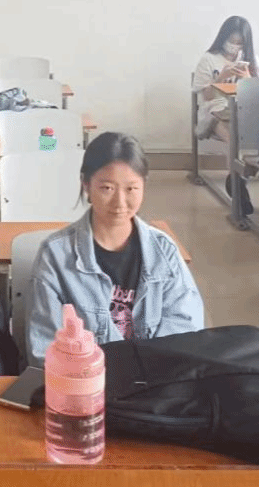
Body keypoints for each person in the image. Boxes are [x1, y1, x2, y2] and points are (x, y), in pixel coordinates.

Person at [28, 132, 203, 366]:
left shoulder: (164, 251)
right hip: (84, 381)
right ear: (86, 184)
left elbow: (186, 329)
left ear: (144, 185)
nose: (120, 203)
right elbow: (46, 347)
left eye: (131, 189)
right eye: (107, 188)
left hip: (155, 380)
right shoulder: (56, 256)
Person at [192, 15, 259, 142]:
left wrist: (248, 80)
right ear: (223, 38)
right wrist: (220, 79)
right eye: (231, 41)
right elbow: (206, 97)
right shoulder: (209, 59)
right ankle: (237, 152)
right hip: (215, 111)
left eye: (239, 43)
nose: (234, 46)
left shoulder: (251, 59)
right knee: (234, 137)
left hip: (242, 110)